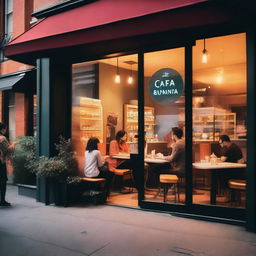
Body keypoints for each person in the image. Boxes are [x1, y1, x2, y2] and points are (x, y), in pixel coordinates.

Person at [0, 122, 15, 206]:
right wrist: (13, 145)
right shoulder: (2, 138)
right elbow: (8, 150)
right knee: (2, 181)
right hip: (0, 163)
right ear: (2, 129)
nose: (5, 130)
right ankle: (2, 201)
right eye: (5, 128)